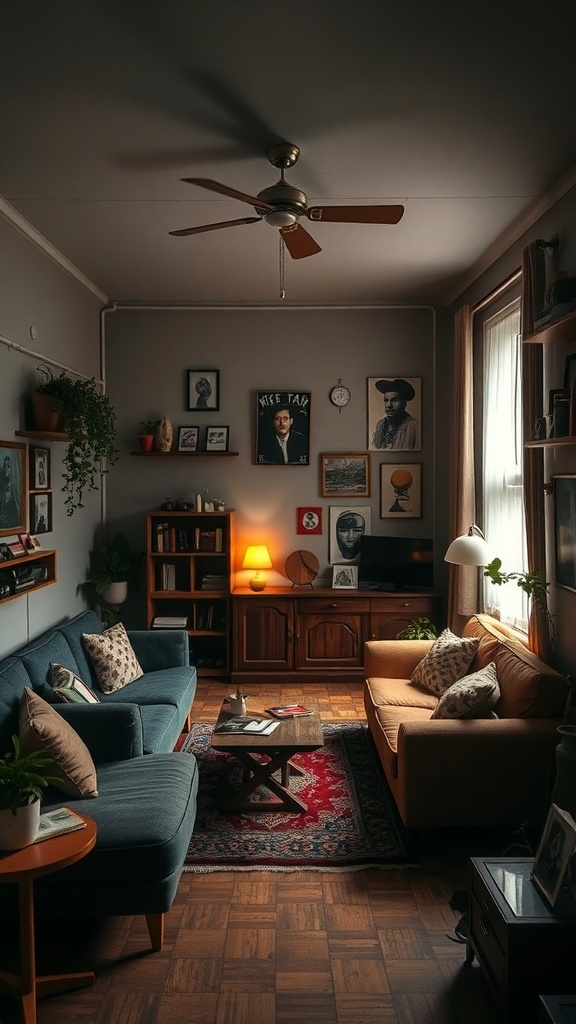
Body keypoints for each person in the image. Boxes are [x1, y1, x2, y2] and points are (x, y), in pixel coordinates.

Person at [371, 378, 419, 450]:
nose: (388, 405)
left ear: (404, 404)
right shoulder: (380, 425)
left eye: (394, 400)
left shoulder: (413, 426)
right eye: (386, 400)